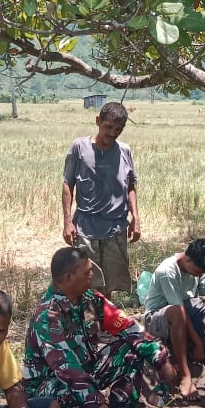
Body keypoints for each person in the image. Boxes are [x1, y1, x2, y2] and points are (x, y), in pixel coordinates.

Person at [24, 247, 178, 408]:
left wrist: (159, 357)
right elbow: (67, 369)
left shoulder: (89, 299)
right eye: (87, 272)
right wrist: (98, 404)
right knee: (70, 393)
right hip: (50, 386)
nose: (92, 275)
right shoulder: (48, 315)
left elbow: (128, 327)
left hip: (85, 372)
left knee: (130, 350)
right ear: (69, 277)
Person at [143, 238, 205, 397]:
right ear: (188, 259)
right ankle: (185, 375)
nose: (199, 275)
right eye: (198, 271)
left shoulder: (198, 266)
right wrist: (198, 343)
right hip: (157, 319)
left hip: (185, 311)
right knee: (177, 312)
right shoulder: (167, 271)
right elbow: (179, 311)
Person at [62, 101, 140, 299]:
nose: (112, 133)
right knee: (85, 281)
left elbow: (130, 186)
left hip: (116, 227)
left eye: (118, 129)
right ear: (98, 121)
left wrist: (136, 218)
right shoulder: (79, 147)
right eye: (108, 127)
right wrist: (67, 221)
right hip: (86, 227)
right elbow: (67, 184)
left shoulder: (125, 151)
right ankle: (86, 323)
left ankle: (104, 320)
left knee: (110, 283)